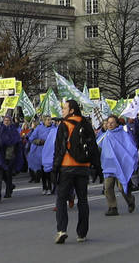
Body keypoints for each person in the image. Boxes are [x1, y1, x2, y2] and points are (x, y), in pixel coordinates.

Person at [53, 99, 96, 244]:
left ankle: (62, 230)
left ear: (71, 110)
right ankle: (82, 233)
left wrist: (55, 168)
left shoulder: (64, 125)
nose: (62, 111)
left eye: (65, 108)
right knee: (82, 200)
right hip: (83, 166)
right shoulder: (86, 124)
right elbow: (93, 146)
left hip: (67, 166)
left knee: (61, 198)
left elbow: (59, 148)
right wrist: (96, 167)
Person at [99, 115, 137, 216]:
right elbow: (98, 145)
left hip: (120, 166)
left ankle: (130, 200)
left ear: (117, 124)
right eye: (108, 122)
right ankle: (112, 207)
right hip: (108, 165)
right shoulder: (105, 135)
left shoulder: (123, 134)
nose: (109, 124)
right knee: (108, 187)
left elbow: (130, 147)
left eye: (112, 122)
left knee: (122, 188)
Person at [27, 116, 53, 195]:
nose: (50, 121)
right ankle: (44, 187)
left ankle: (50, 187)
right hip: (41, 152)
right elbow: (31, 138)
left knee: (49, 171)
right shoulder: (39, 128)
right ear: (44, 121)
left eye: (50, 120)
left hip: (50, 152)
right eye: (48, 120)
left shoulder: (53, 128)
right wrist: (39, 141)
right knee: (43, 171)